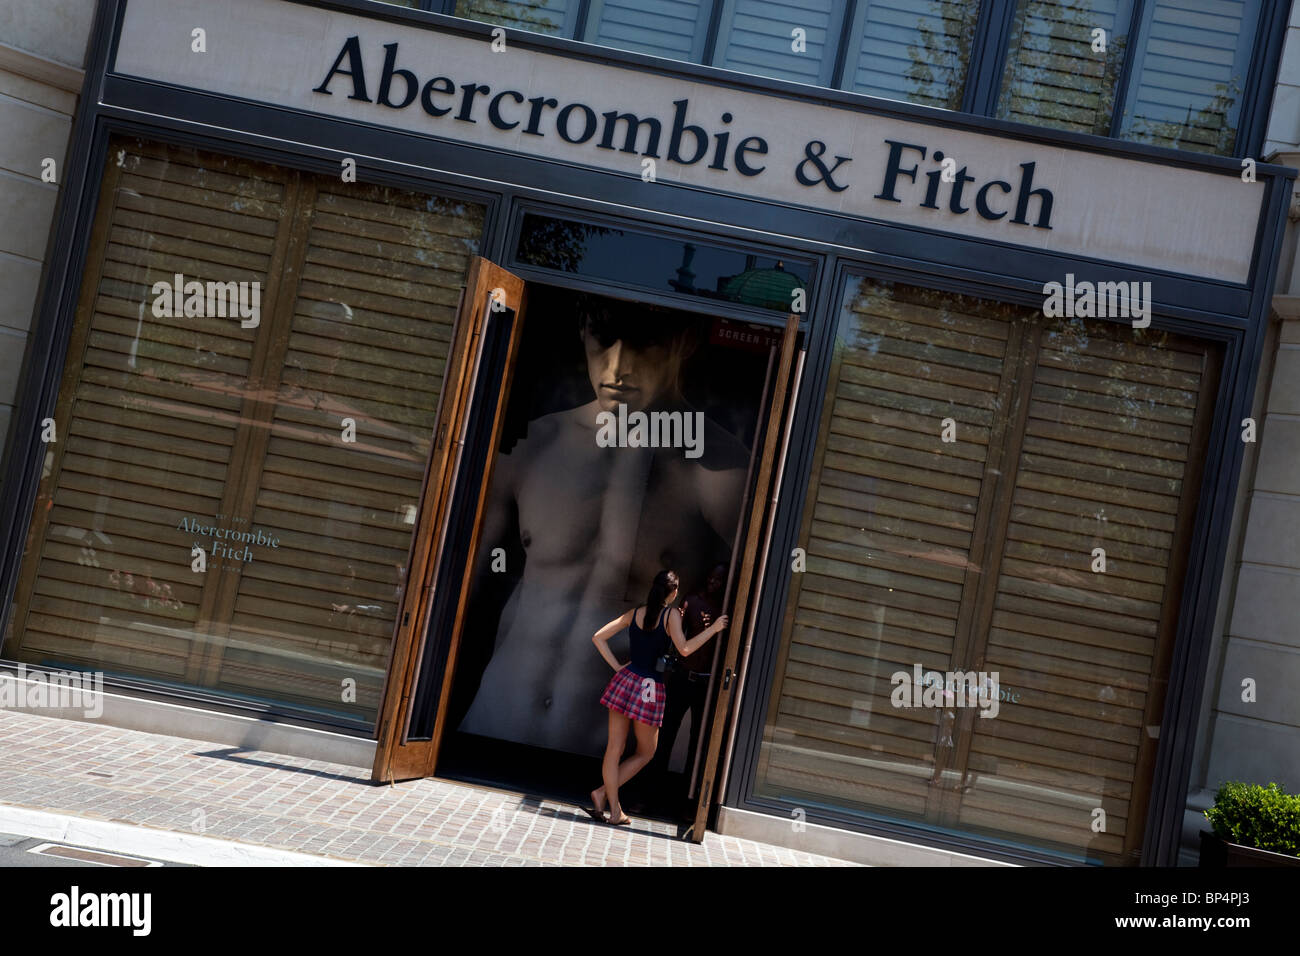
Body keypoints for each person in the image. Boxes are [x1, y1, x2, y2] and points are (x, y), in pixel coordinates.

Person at [454, 295, 749, 756]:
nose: (617, 366)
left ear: (685, 343)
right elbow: (457, 594)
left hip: (606, 754)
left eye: (643, 344)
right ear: (582, 330)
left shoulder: (720, 470)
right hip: (494, 724)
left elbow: (752, 629)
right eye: (604, 339)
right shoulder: (533, 446)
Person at [584, 569, 728, 825]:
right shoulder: (670, 614)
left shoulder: (636, 612)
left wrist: (618, 667)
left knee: (614, 749)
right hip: (648, 689)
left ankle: (606, 797)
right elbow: (684, 649)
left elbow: (598, 637)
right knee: (646, 752)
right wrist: (714, 629)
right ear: (672, 593)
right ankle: (611, 806)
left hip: (625, 681)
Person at [648, 563, 727, 807]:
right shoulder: (691, 601)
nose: (713, 583)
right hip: (684, 676)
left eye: (719, 580)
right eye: (711, 578)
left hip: (707, 682)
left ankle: (688, 803)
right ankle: (650, 795)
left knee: (699, 743)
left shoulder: (726, 608)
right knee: (665, 735)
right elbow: (675, 641)